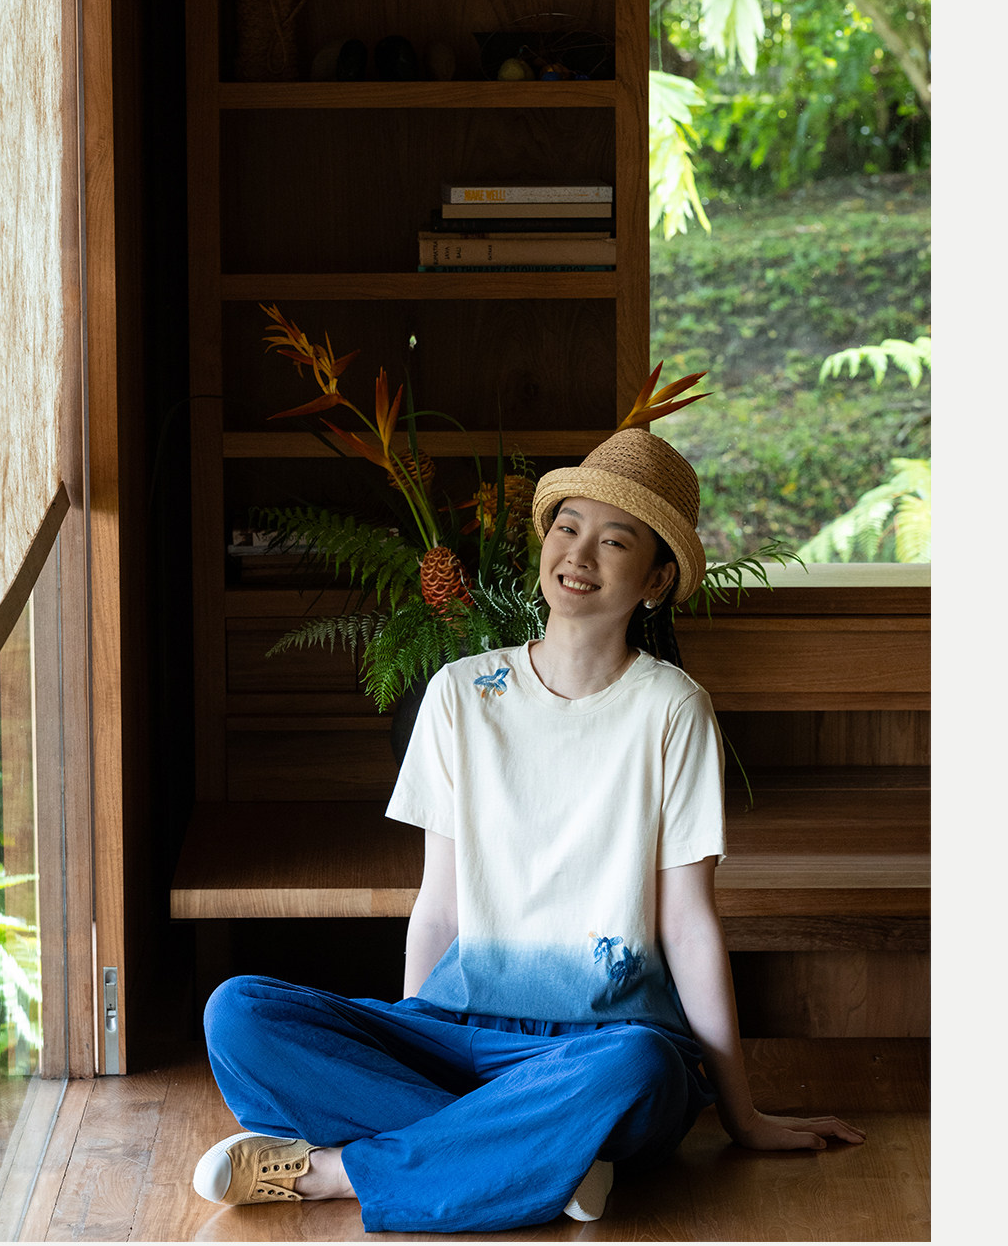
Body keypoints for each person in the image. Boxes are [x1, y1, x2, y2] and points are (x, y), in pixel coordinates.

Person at [193, 429, 865, 1233]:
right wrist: (416, 1029)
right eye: (567, 527)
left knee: (642, 1067)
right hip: (461, 1032)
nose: (578, 553)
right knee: (239, 1012)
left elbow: (688, 923)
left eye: (614, 540)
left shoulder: (672, 708)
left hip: (603, 1046)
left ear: (655, 580)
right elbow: (439, 904)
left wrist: (743, 1115)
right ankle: (547, 1153)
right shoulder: (459, 693)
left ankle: (337, 1172)